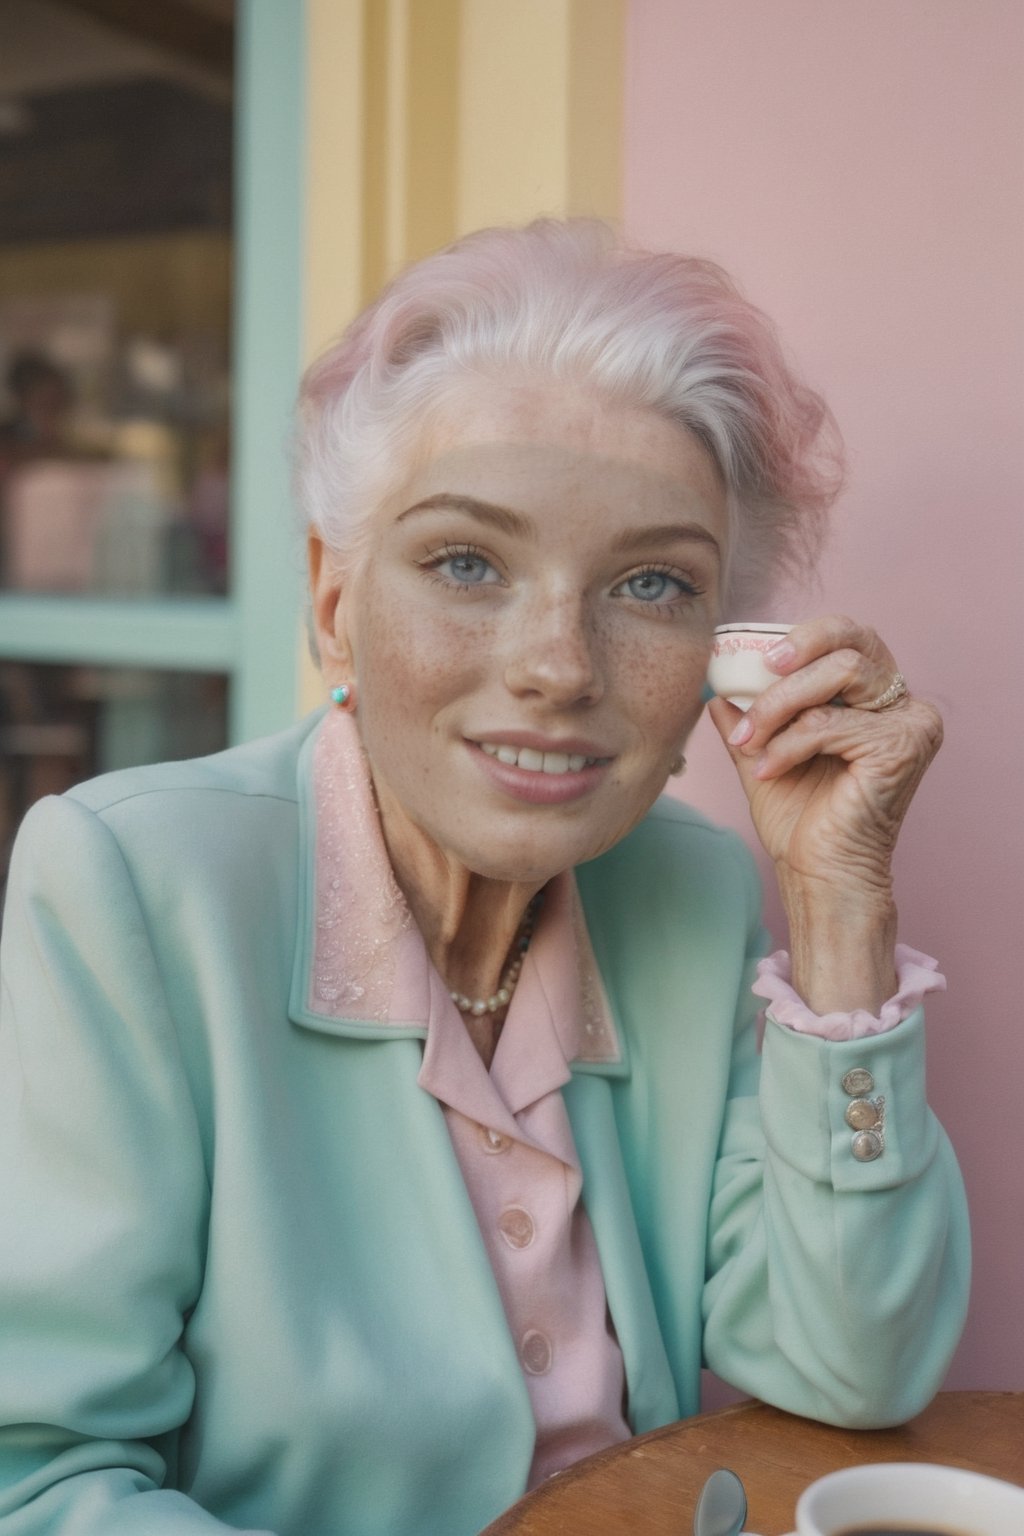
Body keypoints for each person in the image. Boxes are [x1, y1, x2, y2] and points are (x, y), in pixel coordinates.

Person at [0, 221, 969, 1536]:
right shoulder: (131, 885)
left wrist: (842, 903)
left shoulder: (693, 891)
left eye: (649, 583)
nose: (559, 665)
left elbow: (857, 1367)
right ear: (333, 598)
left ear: (718, 658)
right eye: (466, 562)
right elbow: (38, 1484)